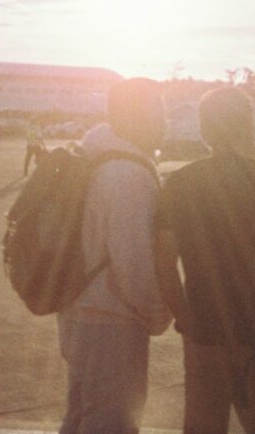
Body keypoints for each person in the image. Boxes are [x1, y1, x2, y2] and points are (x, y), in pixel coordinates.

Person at [154, 87, 255, 434]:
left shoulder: (179, 184)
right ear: (248, 127)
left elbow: (163, 261)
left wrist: (186, 320)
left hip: (205, 328)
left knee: (203, 425)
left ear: (204, 129)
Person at [57, 78, 171, 434]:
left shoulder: (99, 158)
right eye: (160, 111)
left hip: (80, 311)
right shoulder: (128, 175)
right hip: (112, 320)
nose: (165, 122)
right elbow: (134, 264)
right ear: (141, 116)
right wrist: (158, 313)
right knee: (111, 423)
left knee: (80, 417)